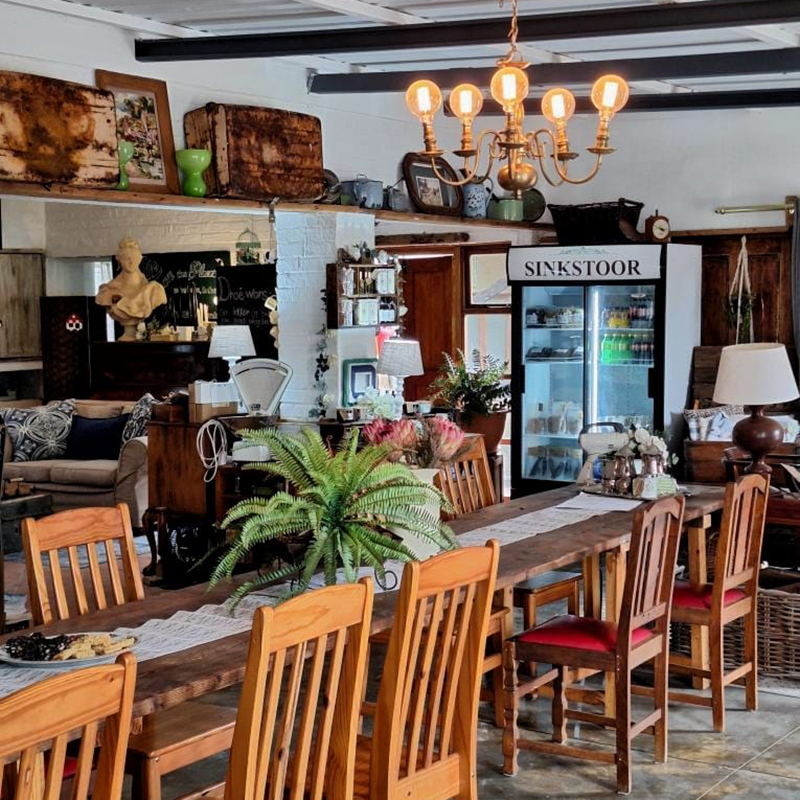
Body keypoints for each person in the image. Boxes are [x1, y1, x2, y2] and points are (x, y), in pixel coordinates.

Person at [96, 237, 166, 340]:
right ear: (119, 261)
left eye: (134, 257)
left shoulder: (154, 290)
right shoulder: (108, 291)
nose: (131, 261)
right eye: (126, 258)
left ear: (139, 259)